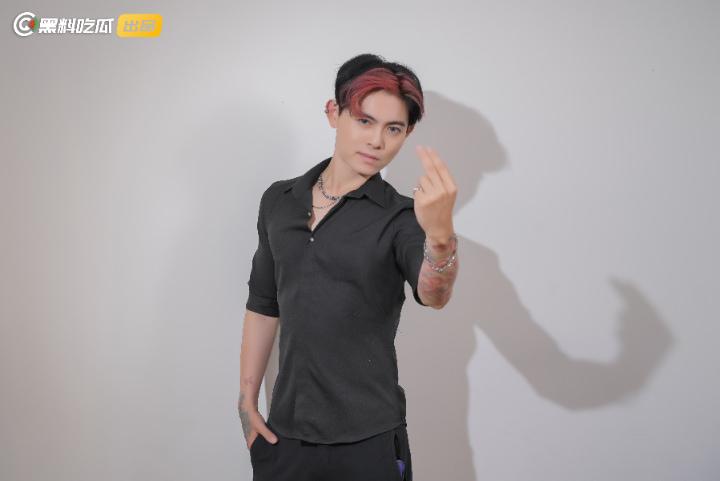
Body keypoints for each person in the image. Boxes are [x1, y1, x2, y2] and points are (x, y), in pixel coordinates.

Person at [238, 53, 459, 481]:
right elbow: (263, 303)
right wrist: (247, 402)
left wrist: (440, 237)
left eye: (393, 128)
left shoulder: (403, 217)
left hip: (369, 441)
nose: (377, 141)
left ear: (407, 133)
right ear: (333, 113)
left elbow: (434, 293)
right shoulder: (279, 201)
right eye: (364, 121)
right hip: (286, 437)